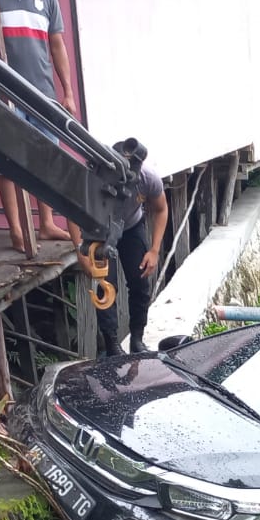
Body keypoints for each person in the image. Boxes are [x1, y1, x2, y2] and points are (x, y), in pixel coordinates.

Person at [0, 0, 77, 251]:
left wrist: (68, 92)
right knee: (10, 164)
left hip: (43, 93)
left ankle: (47, 224)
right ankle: (17, 231)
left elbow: (57, 45)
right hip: (4, 93)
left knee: (46, 161)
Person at [97, 138, 166, 356]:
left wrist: (154, 250)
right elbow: (73, 211)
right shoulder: (95, 176)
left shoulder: (148, 178)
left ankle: (137, 338)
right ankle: (112, 345)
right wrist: (80, 250)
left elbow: (161, 209)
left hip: (131, 226)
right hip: (101, 229)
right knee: (107, 287)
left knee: (140, 281)